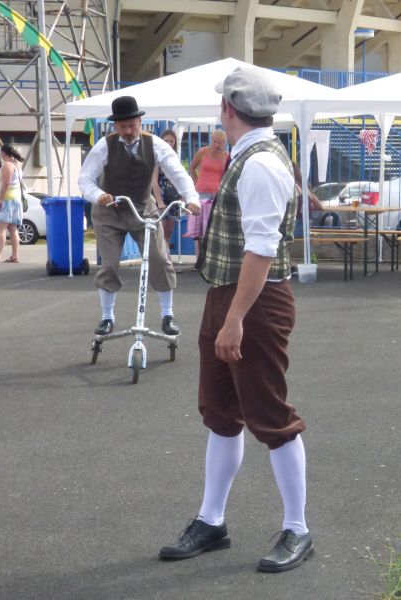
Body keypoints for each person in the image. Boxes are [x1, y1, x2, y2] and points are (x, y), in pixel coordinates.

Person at [158, 66, 312, 573]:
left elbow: (262, 250)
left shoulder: (260, 164)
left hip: (255, 303)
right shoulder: (251, 155)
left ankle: (297, 528)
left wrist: (235, 319)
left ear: (228, 109)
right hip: (231, 296)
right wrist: (227, 313)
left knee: (270, 415)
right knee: (221, 412)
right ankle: (211, 520)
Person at [78, 96, 200, 337]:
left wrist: (191, 197)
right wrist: (99, 195)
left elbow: (177, 173)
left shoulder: (156, 145)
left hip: (142, 208)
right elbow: (85, 179)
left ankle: (167, 315)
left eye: (132, 125)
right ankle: (107, 317)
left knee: (160, 258)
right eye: (122, 126)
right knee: (109, 264)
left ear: (140, 122)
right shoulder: (104, 146)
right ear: (115, 125)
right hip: (109, 211)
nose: (128, 131)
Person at [187, 129, 228, 269]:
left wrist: (223, 156)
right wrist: (196, 182)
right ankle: (199, 260)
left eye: (220, 142)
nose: (217, 145)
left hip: (216, 195)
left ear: (224, 143)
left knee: (211, 229)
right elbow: (192, 168)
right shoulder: (203, 152)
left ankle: (211, 260)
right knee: (198, 229)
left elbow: (226, 174)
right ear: (211, 140)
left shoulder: (226, 156)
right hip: (201, 193)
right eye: (215, 142)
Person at [0, 144, 25, 263]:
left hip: (7, 199)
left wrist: (0, 199)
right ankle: (14, 256)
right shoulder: (17, 164)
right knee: (12, 228)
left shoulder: (8, 165)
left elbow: (5, 183)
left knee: (0, 228)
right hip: (15, 198)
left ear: (3, 153)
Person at [151, 129, 184, 249]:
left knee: (170, 229)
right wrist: (159, 201)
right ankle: (164, 256)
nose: (169, 143)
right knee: (161, 229)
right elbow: (154, 181)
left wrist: (183, 195)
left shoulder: (175, 158)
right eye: (166, 141)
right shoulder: (157, 158)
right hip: (162, 197)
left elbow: (179, 178)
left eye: (171, 141)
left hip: (173, 197)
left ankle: (166, 254)